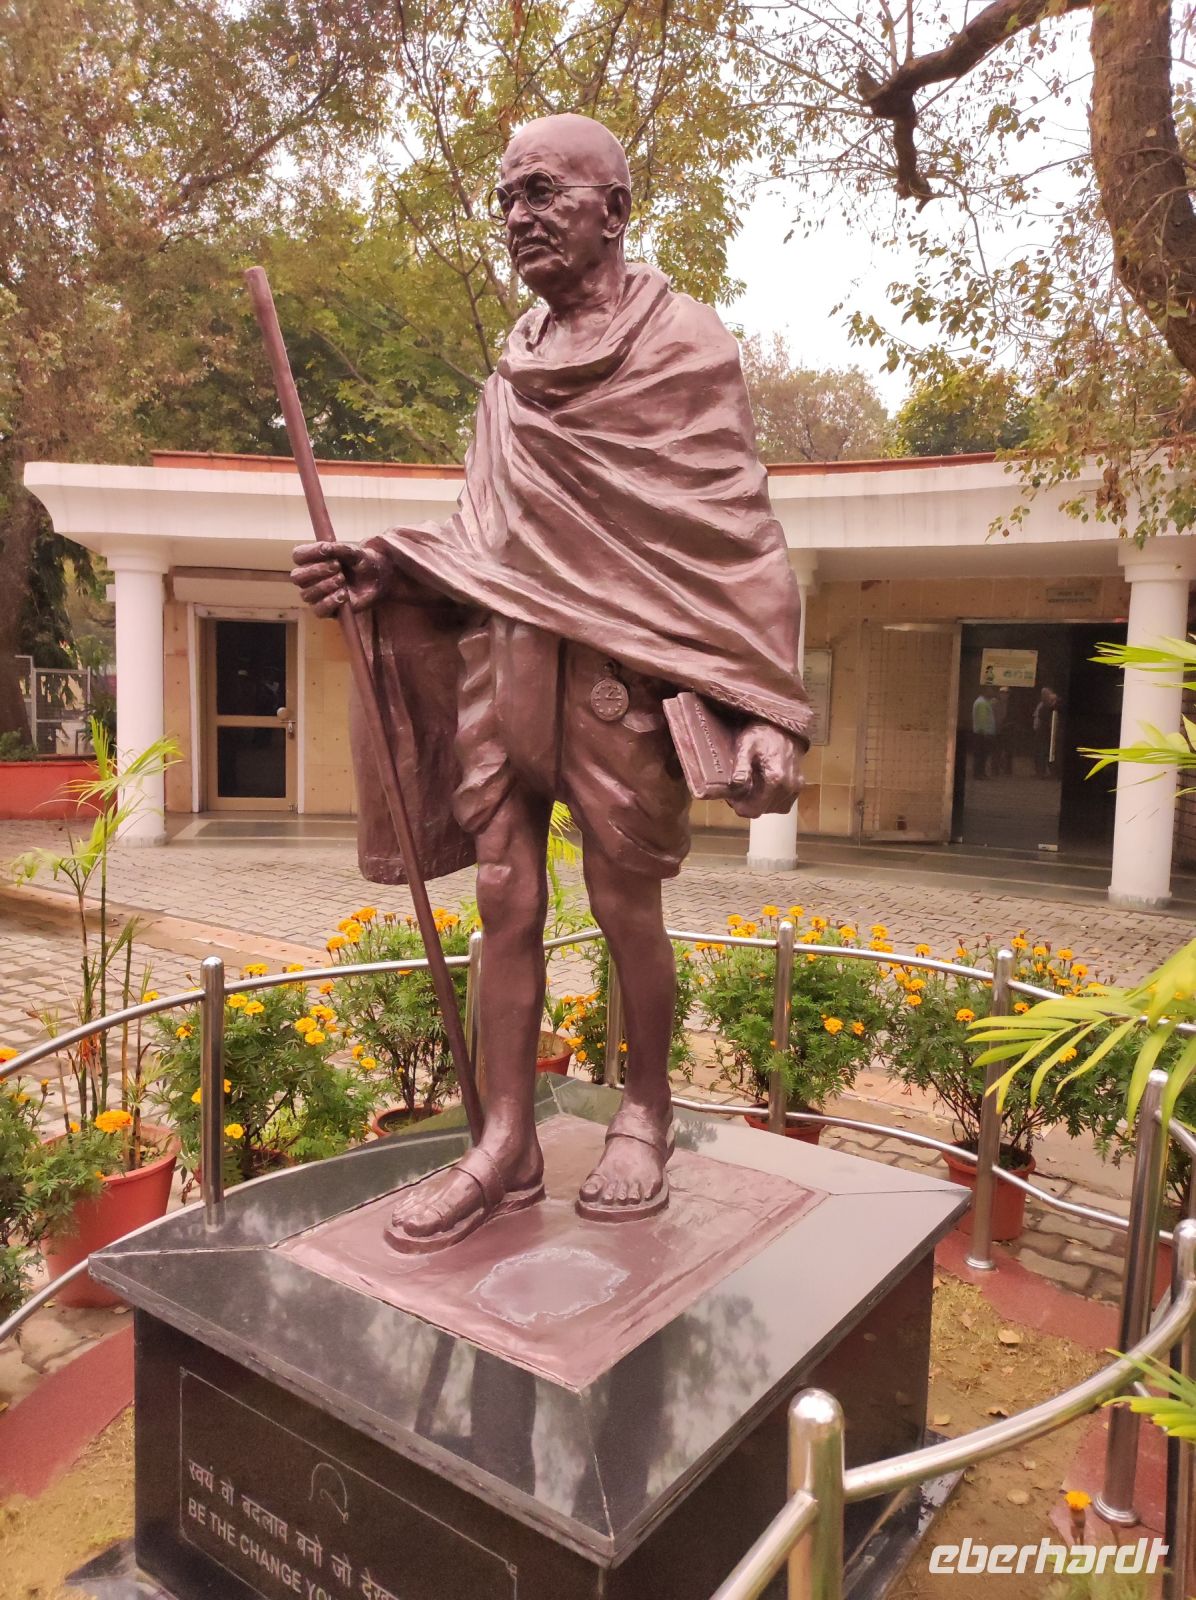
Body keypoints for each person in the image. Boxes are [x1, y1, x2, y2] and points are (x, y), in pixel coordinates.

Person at [290, 114, 810, 1252]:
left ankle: (645, 1111)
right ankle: (506, 1139)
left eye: (543, 194)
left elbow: (734, 529)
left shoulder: (686, 346)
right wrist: (382, 564)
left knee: (627, 901)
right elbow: (486, 538)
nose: (518, 217)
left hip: (620, 681)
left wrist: (768, 704)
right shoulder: (507, 381)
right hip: (505, 665)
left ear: (613, 209)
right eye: (506, 200)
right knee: (502, 900)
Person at [1033, 686, 1059, 778]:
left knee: (1046, 752)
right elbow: (1037, 718)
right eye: (1043, 694)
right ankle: (1041, 772)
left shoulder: (1053, 705)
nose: (1043, 696)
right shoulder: (1042, 705)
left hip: (1048, 732)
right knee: (1041, 752)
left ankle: (1050, 772)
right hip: (1041, 731)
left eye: (1046, 694)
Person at [971, 687, 996, 780]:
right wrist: (984, 731)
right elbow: (982, 719)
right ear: (985, 692)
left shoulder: (982, 702)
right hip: (982, 733)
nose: (992, 692)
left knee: (982, 754)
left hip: (981, 733)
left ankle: (980, 773)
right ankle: (979, 774)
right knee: (981, 754)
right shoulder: (981, 703)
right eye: (990, 690)